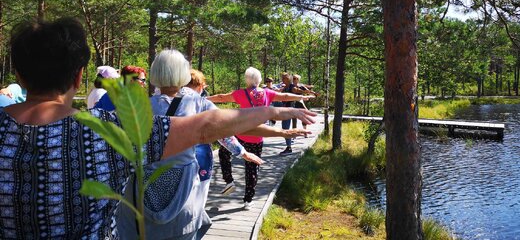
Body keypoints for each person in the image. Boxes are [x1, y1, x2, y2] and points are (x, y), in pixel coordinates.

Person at [0, 17, 317, 239]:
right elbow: (211, 127)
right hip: (178, 206)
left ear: (20, 75)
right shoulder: (105, 133)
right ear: (78, 77)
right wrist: (277, 114)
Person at [117, 53, 268, 240]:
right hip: (184, 196)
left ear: (155, 73)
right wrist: (242, 152)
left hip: (140, 198)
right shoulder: (198, 103)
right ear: (183, 74)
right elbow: (225, 131)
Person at [208, 67, 313, 209]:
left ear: (246, 79)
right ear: (259, 80)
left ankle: (229, 181)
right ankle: (248, 200)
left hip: (239, 134)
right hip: (257, 136)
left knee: (224, 152)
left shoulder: (240, 93)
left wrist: (204, 99)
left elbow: (221, 97)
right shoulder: (267, 93)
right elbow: (285, 97)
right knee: (252, 167)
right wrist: (301, 97)